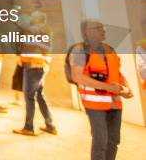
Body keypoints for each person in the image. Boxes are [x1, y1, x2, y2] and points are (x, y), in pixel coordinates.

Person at [69, 19, 133, 160]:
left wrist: (127, 88)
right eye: (98, 28)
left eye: (103, 27)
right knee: (101, 141)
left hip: (115, 102)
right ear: (87, 32)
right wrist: (109, 87)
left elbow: (117, 72)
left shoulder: (109, 48)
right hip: (95, 104)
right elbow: (77, 76)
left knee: (114, 141)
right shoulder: (79, 50)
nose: (103, 30)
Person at [13, 11, 56, 136]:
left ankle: (29, 127)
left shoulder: (33, 32)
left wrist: (21, 58)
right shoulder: (46, 32)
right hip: (41, 67)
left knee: (29, 97)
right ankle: (50, 125)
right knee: (40, 96)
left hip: (33, 68)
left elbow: (31, 55)